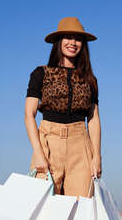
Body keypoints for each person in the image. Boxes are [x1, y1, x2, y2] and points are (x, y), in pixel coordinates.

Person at [24, 16, 102, 198]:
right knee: (44, 206)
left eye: (77, 39)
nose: (72, 42)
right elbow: (29, 115)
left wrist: (97, 156)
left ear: (82, 44)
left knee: (82, 206)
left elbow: (94, 119)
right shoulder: (40, 73)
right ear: (59, 41)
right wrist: (38, 152)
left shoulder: (90, 80)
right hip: (49, 141)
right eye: (67, 37)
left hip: (80, 145)